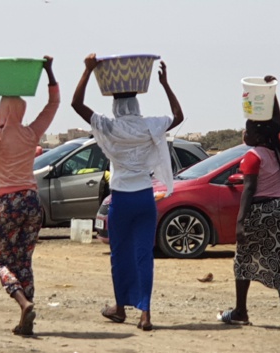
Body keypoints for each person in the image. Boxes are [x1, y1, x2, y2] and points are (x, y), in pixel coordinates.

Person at [71, 53, 184, 331]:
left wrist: (87, 71)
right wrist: (165, 84)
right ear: (136, 105)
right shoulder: (150, 126)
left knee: (119, 254)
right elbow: (179, 116)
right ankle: (145, 314)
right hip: (145, 198)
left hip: (120, 200)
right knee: (144, 254)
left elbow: (76, 104)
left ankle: (120, 308)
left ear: (117, 107)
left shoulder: (110, 127)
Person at [0, 55, 60, 336]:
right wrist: (49, 72)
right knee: (24, 260)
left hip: (6, 204)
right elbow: (53, 104)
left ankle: (23, 301)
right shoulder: (31, 133)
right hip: (32, 202)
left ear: (1, 111)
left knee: (2, 261)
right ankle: (24, 318)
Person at [218, 75, 280, 331]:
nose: (245, 132)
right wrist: (272, 94)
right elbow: (278, 124)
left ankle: (240, 311)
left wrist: (240, 223)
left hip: (258, 210)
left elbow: (248, 190)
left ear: (256, 134)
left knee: (243, 260)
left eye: (248, 128)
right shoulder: (279, 151)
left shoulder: (251, 157)